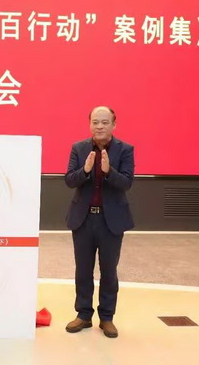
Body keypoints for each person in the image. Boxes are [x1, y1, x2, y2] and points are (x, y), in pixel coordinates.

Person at [63, 106, 134, 338]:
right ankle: (83, 314)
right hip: (83, 219)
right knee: (83, 270)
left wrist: (109, 171)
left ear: (114, 124)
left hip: (110, 221)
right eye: (95, 122)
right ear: (89, 124)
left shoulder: (125, 150)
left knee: (108, 271)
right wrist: (85, 170)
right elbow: (69, 180)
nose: (100, 126)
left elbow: (127, 183)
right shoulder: (79, 148)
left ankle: (107, 318)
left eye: (104, 122)